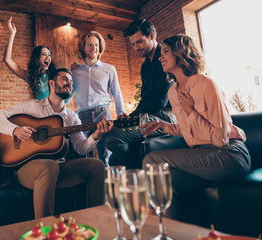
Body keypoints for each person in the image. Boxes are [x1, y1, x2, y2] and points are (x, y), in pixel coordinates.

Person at [142, 34, 251, 218]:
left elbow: (220, 139)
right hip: (203, 158)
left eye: (166, 51)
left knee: (151, 161)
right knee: (165, 180)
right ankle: (172, 233)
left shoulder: (207, 85)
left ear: (181, 52)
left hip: (229, 155)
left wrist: (190, 111)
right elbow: (189, 131)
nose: (160, 57)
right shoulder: (173, 92)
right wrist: (163, 126)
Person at [0, 68, 112, 219]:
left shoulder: (71, 117)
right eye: (65, 80)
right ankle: (44, 228)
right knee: (49, 166)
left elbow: (81, 148)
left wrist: (96, 135)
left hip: (58, 168)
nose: (70, 84)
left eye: (71, 82)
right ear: (52, 83)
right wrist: (15, 130)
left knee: (97, 165)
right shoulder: (32, 106)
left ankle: (97, 220)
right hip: (28, 169)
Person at [103, 19, 175, 169]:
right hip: (151, 114)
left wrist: (132, 119)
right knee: (113, 161)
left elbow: (159, 101)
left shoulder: (165, 59)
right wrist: (128, 118)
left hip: (166, 114)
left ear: (152, 36)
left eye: (139, 42)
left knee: (112, 139)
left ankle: (137, 170)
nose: (136, 48)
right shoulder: (144, 67)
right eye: (133, 44)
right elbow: (145, 99)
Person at [70, 30, 126, 165]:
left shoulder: (109, 69)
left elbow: (116, 92)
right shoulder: (75, 72)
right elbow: (68, 94)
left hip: (103, 114)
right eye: (89, 45)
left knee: (106, 156)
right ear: (83, 47)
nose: (93, 48)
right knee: (81, 154)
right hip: (82, 116)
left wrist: (121, 113)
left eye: (96, 45)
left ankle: (108, 184)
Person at [4, 17, 57, 100]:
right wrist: (12, 34)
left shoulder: (55, 75)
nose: (47, 57)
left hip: (54, 112)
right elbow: (7, 60)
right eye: (43, 54)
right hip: (38, 111)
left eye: (49, 55)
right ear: (37, 58)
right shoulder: (31, 76)